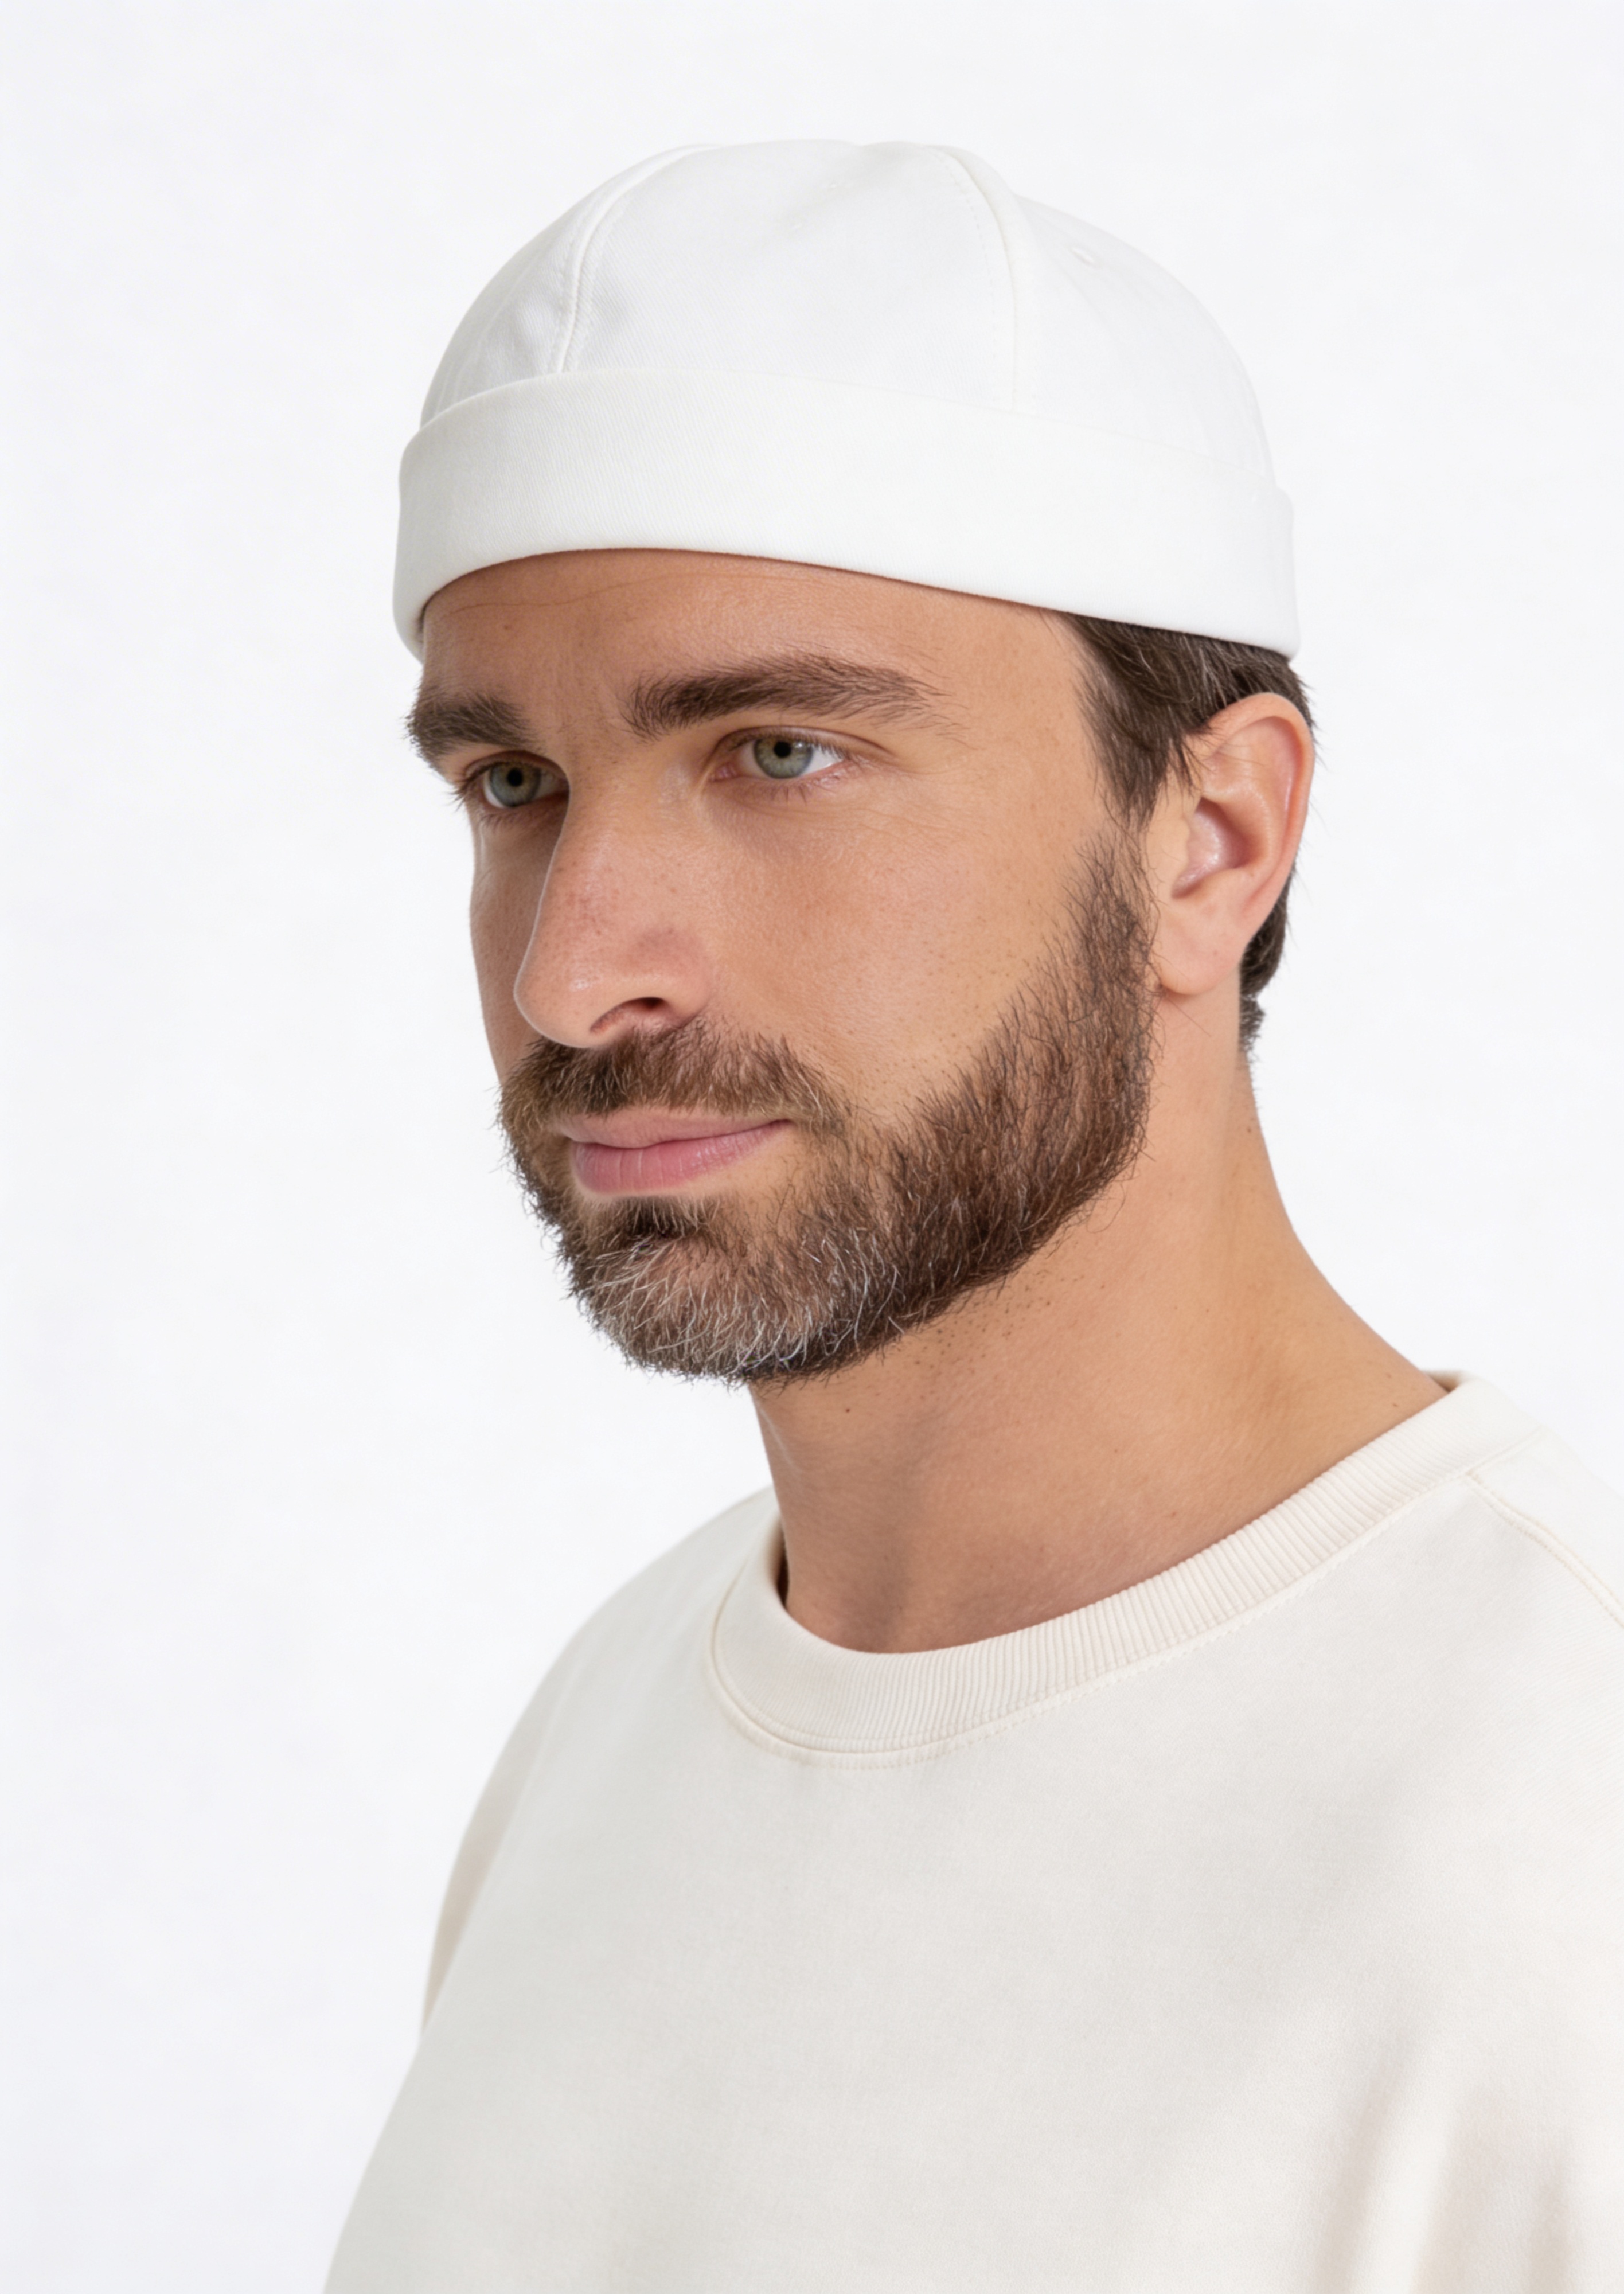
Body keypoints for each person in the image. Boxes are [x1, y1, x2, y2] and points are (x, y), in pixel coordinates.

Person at [326, 142, 1624, 2291]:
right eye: (513, 785)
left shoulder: (1565, 1826)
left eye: (780, 754)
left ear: (1211, 840)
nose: (572, 973)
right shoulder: (618, 1722)